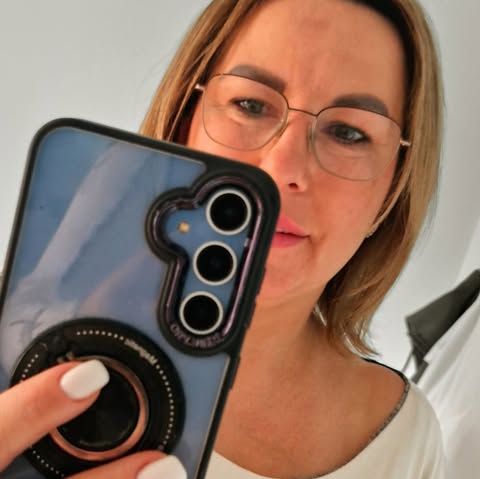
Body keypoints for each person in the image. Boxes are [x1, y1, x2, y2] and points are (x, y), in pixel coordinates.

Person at [0, 0, 444, 478]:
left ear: (393, 190)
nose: (282, 168)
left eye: (349, 133)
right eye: (250, 105)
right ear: (184, 124)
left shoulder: (407, 442)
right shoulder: (14, 345)